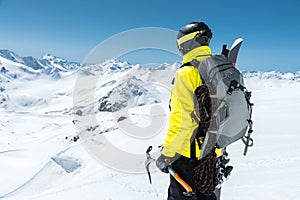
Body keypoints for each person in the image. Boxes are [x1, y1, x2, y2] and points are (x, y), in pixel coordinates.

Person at [156, 22, 222, 200]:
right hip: (213, 155)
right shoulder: (218, 70)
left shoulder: (186, 74)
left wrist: (168, 155)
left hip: (189, 159)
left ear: (187, 44)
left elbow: (184, 123)